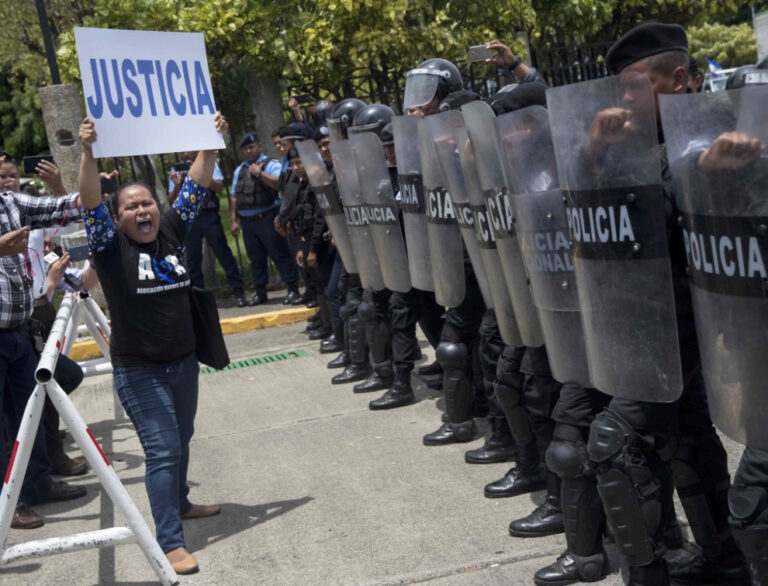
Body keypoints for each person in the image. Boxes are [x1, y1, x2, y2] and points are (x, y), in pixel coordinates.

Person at [555, 23, 749, 585]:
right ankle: (724, 561)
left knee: (615, 443)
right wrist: (593, 149)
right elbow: (586, 213)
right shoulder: (635, 148)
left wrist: (714, 179)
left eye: (637, 86)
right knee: (689, 440)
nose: (626, 101)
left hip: (684, 325)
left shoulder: (715, 138)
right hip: (641, 323)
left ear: (679, 80)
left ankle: (650, 575)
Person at [77, 114, 227, 575]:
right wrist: (86, 152)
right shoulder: (108, 246)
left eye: (147, 204)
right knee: (162, 450)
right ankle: (170, 542)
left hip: (183, 363)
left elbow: (198, 185)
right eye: (130, 208)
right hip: (140, 370)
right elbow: (89, 203)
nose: (142, 212)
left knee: (181, 440)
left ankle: (180, 503)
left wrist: (212, 142)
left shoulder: (171, 231)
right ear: (116, 218)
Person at [0, 154, 88, 531]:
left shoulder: (12, 203)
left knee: (27, 417)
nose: (7, 181)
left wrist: (86, 152)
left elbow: (73, 208)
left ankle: (37, 483)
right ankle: (7, 503)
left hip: (19, 333)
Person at [230, 132, 300, 306]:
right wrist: (233, 220)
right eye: (245, 148)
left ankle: (293, 288)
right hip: (248, 222)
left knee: (280, 254)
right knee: (256, 259)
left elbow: (279, 183)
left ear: (260, 146)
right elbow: (233, 197)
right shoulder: (240, 170)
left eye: (251, 147)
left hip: (267, 217)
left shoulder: (271, 164)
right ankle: (260, 292)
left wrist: (260, 174)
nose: (249, 151)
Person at [169, 151, 246, 307]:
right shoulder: (176, 170)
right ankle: (199, 298)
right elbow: (172, 200)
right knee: (193, 260)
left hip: (208, 216)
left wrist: (199, 172)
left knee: (223, 253)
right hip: (189, 218)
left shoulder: (208, 162)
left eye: (187, 149)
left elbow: (218, 188)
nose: (184, 153)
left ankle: (239, 291)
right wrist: (177, 184)